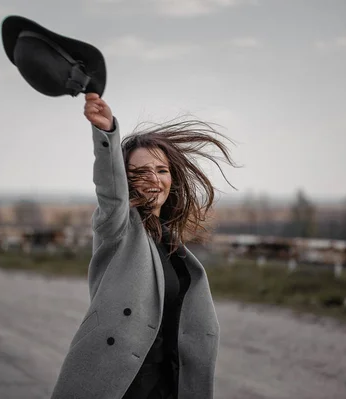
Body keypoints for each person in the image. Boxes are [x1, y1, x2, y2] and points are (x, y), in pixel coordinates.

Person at [49, 93, 238, 399]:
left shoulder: (170, 242)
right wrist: (106, 133)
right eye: (140, 171)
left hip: (168, 387)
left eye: (161, 170)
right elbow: (109, 190)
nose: (153, 178)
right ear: (126, 180)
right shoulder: (118, 228)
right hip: (121, 386)